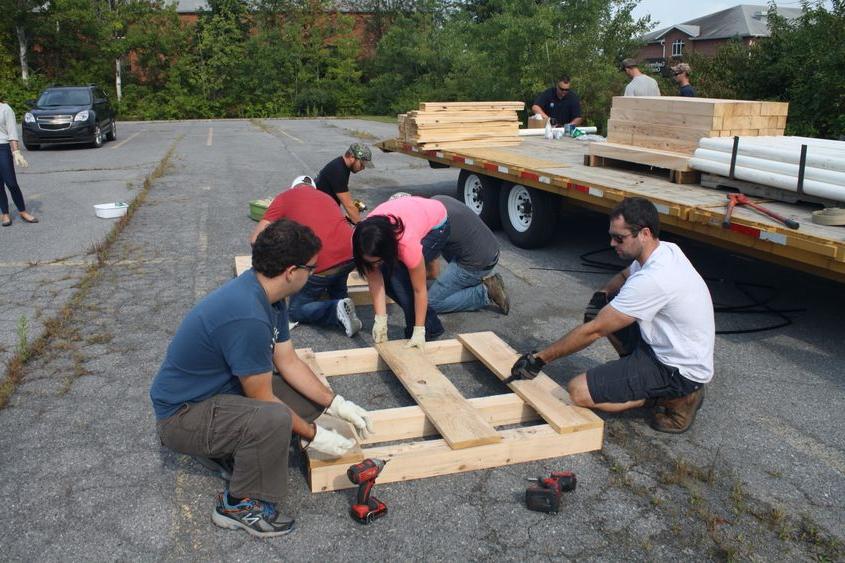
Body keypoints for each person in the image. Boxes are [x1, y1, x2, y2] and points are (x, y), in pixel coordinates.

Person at [150, 220, 374, 538]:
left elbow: (288, 361)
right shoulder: (248, 315)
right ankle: (237, 505)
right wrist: (315, 435)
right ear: (291, 271)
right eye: (311, 268)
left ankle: (227, 447)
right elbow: (263, 400)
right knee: (273, 420)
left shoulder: (270, 296)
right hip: (182, 417)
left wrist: (337, 404)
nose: (313, 274)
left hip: (213, 395)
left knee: (307, 400)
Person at [510, 198, 714, 434]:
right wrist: (602, 293)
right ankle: (639, 378)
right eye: (612, 236)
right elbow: (626, 275)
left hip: (677, 369)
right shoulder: (663, 250)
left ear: (644, 233)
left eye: (619, 238)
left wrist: (539, 359)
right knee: (604, 310)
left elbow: (595, 330)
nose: (612, 243)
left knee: (578, 391)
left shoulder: (655, 279)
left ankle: (671, 396)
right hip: (667, 349)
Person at [249, 180, 362, 337]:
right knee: (337, 282)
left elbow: (255, 239)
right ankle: (342, 301)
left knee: (296, 310)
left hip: (321, 264)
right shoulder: (326, 196)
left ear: (294, 186)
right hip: (352, 255)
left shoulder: (284, 197)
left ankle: (335, 310)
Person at [353, 195, 449, 349]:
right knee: (389, 275)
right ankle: (427, 325)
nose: (374, 265)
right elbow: (375, 279)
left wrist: (418, 330)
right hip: (409, 211)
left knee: (399, 281)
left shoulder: (407, 245)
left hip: (437, 224)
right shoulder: (362, 240)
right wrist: (380, 320)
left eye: (378, 260)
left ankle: (428, 329)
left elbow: (419, 290)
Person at [427, 194, 509, 315]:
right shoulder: (436, 200)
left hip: (477, 262)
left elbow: (433, 272)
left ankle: (485, 292)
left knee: (430, 304)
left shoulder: (432, 223)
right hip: (487, 250)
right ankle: (467, 283)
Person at [0, 99, 38, 227]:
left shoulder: (5, 108)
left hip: (2, 147)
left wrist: (16, 152)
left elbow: (12, 131)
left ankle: (22, 211)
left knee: (11, 182)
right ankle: (4, 213)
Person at [315, 143, 373, 224]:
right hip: (318, 214)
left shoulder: (341, 165)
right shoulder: (338, 170)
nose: (363, 168)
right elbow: (348, 206)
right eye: (362, 164)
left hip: (324, 209)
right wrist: (361, 229)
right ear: (352, 157)